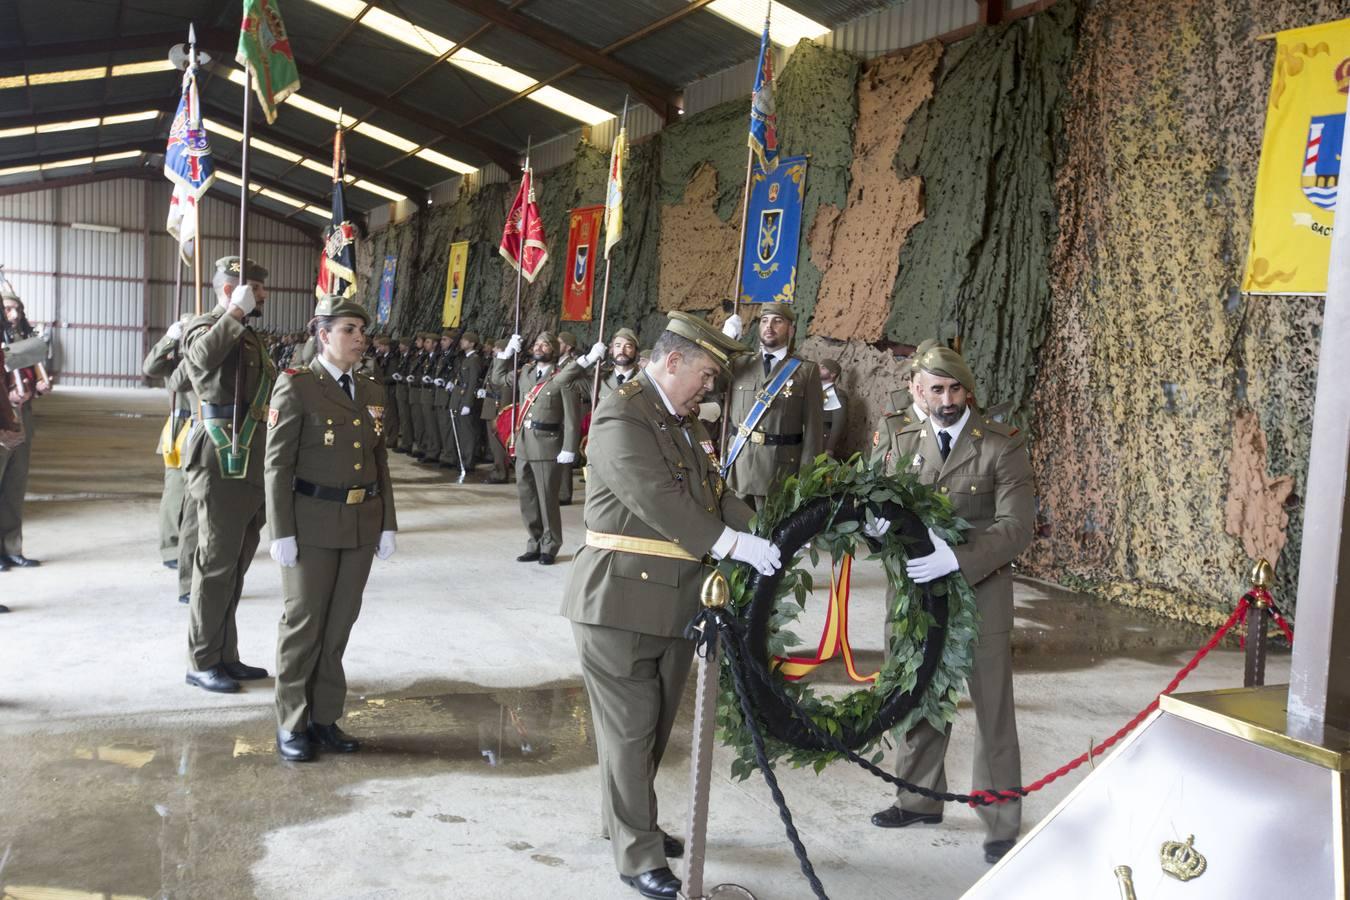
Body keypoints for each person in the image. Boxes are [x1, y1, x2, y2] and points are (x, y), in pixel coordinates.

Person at [563, 311, 783, 900]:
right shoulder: (620, 412)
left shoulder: (681, 424)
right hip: (618, 602)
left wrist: (771, 533)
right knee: (632, 732)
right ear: (673, 359)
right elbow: (658, 499)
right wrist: (734, 545)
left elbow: (714, 495)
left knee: (651, 733)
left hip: (676, 603)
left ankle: (626, 823)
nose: (708, 388)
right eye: (706, 375)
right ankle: (637, 856)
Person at [867, 345, 1034, 865]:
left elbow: (1016, 527)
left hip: (980, 593)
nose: (946, 400)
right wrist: (872, 530)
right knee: (918, 695)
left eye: (954, 390)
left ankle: (1000, 818)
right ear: (919, 389)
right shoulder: (898, 436)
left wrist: (956, 561)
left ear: (968, 391)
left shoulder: (1001, 445)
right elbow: (873, 498)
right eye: (935, 390)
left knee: (992, 710)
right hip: (916, 594)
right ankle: (918, 799)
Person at [265, 294, 397, 762]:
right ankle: (292, 722)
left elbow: (379, 460)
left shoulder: (373, 389)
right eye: (349, 330)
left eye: (363, 332)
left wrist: (387, 523)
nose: (360, 339)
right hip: (311, 524)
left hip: (360, 522)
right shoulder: (297, 385)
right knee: (303, 627)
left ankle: (325, 718)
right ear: (324, 335)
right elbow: (276, 465)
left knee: (339, 627)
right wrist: (280, 530)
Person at [179, 256, 275, 694]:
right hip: (219, 458)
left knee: (235, 566)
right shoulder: (206, 325)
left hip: (249, 459)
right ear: (229, 290)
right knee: (215, 566)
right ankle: (201, 660)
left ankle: (224, 654)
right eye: (254, 287)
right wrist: (233, 312)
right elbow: (199, 360)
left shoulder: (249, 335)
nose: (262, 295)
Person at [720, 303, 824, 507]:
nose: (769, 326)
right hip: (738, 470)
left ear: (791, 330)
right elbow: (711, 386)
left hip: (778, 476)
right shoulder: (739, 363)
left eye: (778, 321)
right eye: (765, 321)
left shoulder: (805, 372)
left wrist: (806, 482)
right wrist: (723, 344)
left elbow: (813, 431)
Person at [494, 331, 579, 566]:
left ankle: (550, 546)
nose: (540, 347)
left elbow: (572, 417)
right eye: (537, 344)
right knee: (528, 498)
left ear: (554, 350)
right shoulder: (526, 374)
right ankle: (534, 542)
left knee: (546, 499)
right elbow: (498, 378)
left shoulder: (562, 377)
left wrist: (569, 448)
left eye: (546, 345)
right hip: (523, 443)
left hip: (548, 444)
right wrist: (507, 352)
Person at [0, 288, 51, 570]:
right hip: (2, 418)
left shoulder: (22, 341)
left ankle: (11, 547)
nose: (14, 315)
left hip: (23, 416)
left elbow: (30, 378)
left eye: (17, 309)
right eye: (8, 309)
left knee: (15, 484)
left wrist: (38, 389)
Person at [142, 316, 194, 571]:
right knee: (175, 493)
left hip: (202, 425)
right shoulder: (173, 363)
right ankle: (171, 547)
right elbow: (150, 367)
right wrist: (169, 339)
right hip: (180, 427)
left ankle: (191, 543)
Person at [445, 330, 483, 475]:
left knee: (467, 432)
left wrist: (468, 403)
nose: (462, 342)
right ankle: (460, 458)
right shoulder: (465, 359)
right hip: (458, 397)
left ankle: (468, 460)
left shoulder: (474, 359)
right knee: (460, 430)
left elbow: (472, 382)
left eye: (465, 340)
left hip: (464, 399)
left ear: (472, 343)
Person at [480, 338, 511, 484]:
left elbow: (506, 392)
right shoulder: (496, 364)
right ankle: (498, 469)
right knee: (494, 443)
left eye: (497, 348)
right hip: (490, 405)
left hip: (498, 408)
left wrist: (502, 412)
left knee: (498, 444)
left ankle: (501, 473)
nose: (493, 350)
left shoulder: (507, 367)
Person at [819, 358, 849, 458]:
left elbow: (838, 424)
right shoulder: (813, 391)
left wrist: (830, 447)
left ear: (833, 374)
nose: (818, 369)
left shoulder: (837, 395)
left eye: (823, 368)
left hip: (822, 443)